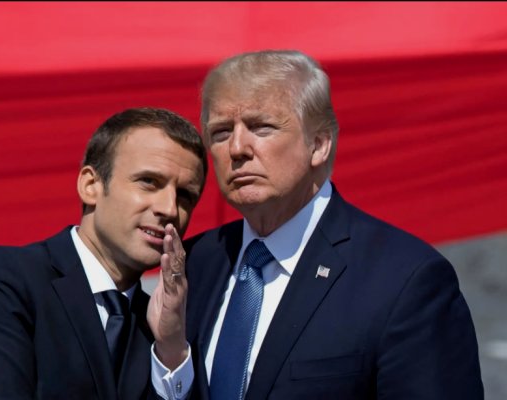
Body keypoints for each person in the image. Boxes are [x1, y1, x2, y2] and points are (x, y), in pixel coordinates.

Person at [183, 50, 484, 399]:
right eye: (221, 133)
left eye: (261, 127)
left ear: (319, 144)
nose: (237, 148)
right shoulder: (194, 263)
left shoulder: (405, 279)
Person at [0, 107, 206, 399]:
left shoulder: (166, 334)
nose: (169, 208)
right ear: (90, 185)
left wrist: (170, 351)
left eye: (185, 196)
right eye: (149, 182)